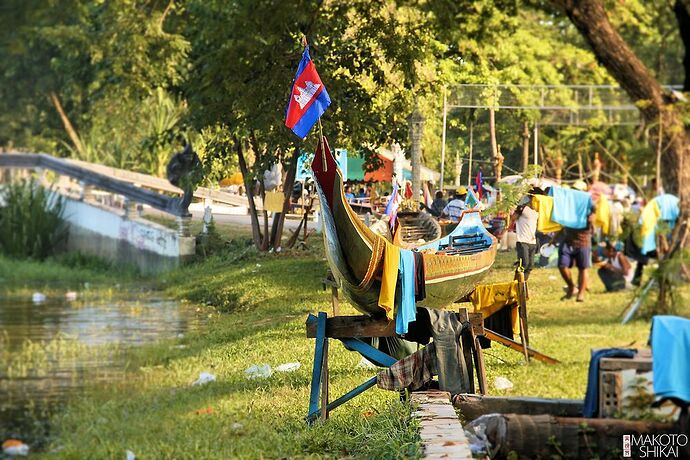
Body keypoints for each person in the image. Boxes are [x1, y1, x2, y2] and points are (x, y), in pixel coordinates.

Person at [557, 208, 594, 302]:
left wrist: (590, 219)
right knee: (562, 266)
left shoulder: (588, 209)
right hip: (567, 242)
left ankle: (581, 294)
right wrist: (554, 239)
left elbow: (592, 229)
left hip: (583, 242)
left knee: (583, 268)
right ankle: (572, 287)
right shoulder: (569, 208)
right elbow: (563, 226)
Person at [512, 196, 539, 280]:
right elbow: (512, 218)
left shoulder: (537, 211)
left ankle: (522, 286)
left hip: (532, 241)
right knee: (524, 264)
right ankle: (516, 284)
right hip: (522, 240)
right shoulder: (522, 208)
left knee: (530, 266)